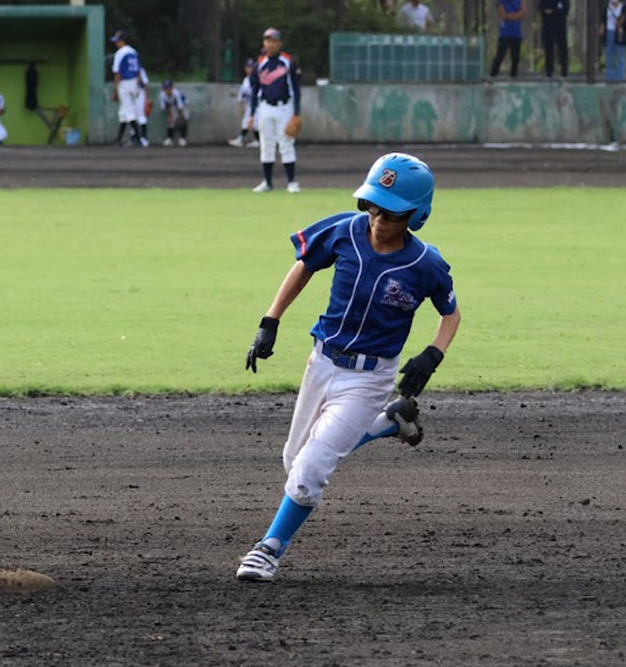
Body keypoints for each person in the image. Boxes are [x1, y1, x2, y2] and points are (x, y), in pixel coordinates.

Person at [235, 153, 461, 583]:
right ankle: (389, 423)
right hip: (320, 362)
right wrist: (270, 321)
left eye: (390, 211)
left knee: (308, 474)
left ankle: (267, 550)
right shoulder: (345, 231)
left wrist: (433, 353)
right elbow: (304, 266)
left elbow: (451, 313)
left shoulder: (424, 264)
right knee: (294, 461)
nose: (377, 215)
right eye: (371, 204)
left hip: (370, 378)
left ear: (416, 215)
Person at [248, 28, 302, 194]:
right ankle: (267, 182)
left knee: (286, 143)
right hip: (265, 107)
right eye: (267, 40)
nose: (270, 44)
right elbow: (254, 90)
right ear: (264, 43)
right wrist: (251, 114)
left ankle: (292, 182)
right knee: (266, 145)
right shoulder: (260, 63)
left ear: (279, 43)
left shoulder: (287, 61)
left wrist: (296, 112)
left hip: (284, 107)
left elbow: (296, 88)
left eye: (273, 40)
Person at [110, 30, 148, 147]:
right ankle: (119, 139)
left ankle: (138, 138)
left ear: (122, 41)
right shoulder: (133, 51)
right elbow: (138, 70)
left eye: (117, 40)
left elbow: (117, 73)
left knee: (129, 110)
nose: (116, 43)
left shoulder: (120, 53)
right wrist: (138, 84)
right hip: (135, 82)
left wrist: (115, 89)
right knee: (124, 111)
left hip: (125, 83)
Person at [228, 58, 260, 148]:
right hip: (250, 104)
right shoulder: (246, 79)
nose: (249, 69)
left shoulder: (257, 79)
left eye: (251, 67)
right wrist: (238, 97)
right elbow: (245, 93)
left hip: (258, 105)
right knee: (252, 123)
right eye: (247, 67)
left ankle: (240, 139)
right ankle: (257, 140)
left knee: (249, 122)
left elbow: (255, 93)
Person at [490, 0, 526, 79]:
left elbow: (523, 14)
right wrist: (517, 15)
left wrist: (511, 16)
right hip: (505, 33)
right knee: (500, 55)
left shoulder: (519, 1)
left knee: (515, 57)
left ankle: (513, 76)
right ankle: (492, 76)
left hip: (517, 33)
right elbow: (503, 16)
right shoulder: (500, 2)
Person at [540, 1, 570, 78]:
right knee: (549, 50)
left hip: (560, 27)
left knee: (562, 49)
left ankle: (564, 72)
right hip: (547, 27)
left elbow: (564, 10)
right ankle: (549, 72)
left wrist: (552, 11)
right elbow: (542, 10)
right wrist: (555, 11)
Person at [601, 0, 626, 82]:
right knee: (609, 54)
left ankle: (620, 76)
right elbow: (603, 20)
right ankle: (610, 77)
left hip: (620, 33)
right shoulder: (606, 6)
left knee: (620, 55)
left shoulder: (624, 7)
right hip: (609, 32)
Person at [159, 80, 189, 147]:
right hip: (172, 106)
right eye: (165, 88)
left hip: (184, 105)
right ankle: (170, 139)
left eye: (168, 87)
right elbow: (165, 107)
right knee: (170, 121)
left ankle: (183, 138)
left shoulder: (176, 93)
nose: (167, 89)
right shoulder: (162, 95)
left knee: (182, 121)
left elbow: (180, 107)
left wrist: (180, 117)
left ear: (172, 87)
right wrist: (169, 116)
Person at [134, 67, 151, 147]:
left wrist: (147, 98)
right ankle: (134, 138)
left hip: (140, 93)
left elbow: (145, 83)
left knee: (141, 116)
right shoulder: (124, 68)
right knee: (132, 117)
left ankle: (144, 138)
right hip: (131, 94)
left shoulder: (140, 69)